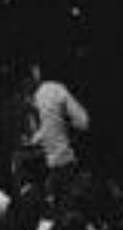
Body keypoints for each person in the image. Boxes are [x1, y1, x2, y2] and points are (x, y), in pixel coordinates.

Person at [26, 62, 91, 207]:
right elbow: (83, 122)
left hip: (30, 171)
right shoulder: (55, 90)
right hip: (61, 164)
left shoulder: (18, 100)